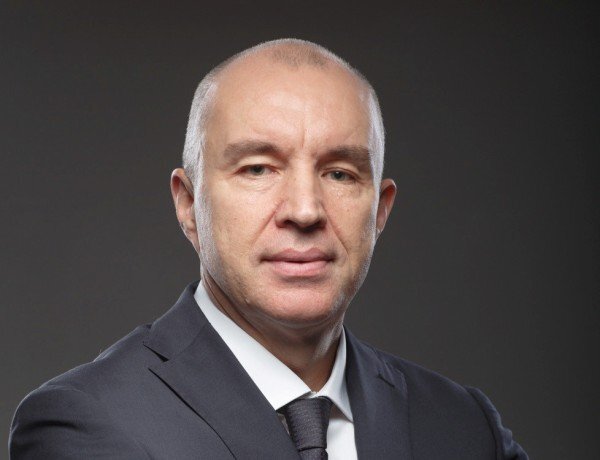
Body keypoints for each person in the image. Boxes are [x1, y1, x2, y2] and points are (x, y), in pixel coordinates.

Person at [9, 39, 528, 459]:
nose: (304, 210)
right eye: (257, 168)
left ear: (380, 211)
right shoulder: (89, 422)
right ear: (188, 204)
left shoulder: (463, 425)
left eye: (340, 173)